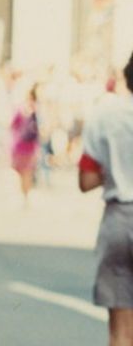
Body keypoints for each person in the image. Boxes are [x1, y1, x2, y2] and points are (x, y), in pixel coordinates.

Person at [78, 53, 133, 346]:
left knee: (121, 332)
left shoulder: (105, 115)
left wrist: (117, 169)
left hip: (119, 219)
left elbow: (86, 180)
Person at [12, 85, 40, 206]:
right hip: (31, 146)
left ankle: (24, 195)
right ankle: (26, 196)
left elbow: (13, 125)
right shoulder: (37, 110)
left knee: (22, 172)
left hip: (20, 145)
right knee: (27, 172)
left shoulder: (21, 109)